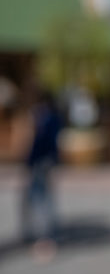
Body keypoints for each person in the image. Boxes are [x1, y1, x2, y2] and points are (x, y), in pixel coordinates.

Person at [21, 91, 62, 258]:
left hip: (41, 162)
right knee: (38, 197)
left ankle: (44, 237)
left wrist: (31, 160)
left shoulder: (45, 118)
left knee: (39, 199)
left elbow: (40, 142)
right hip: (44, 161)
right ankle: (40, 233)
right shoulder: (52, 118)